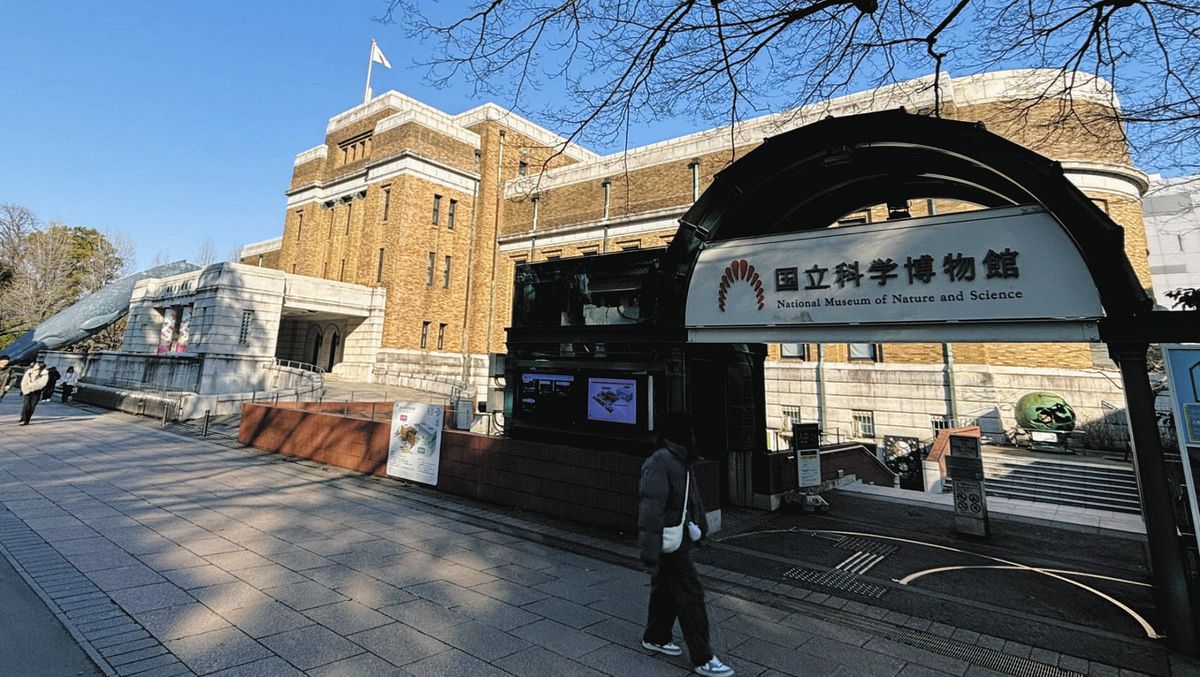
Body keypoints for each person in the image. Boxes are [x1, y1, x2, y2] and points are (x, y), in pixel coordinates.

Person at [638, 413, 734, 677]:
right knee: (691, 595)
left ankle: (656, 636)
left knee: (666, 590)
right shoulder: (661, 461)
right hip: (669, 542)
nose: (693, 436)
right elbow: (651, 509)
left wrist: (700, 529)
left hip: (676, 539)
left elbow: (692, 500)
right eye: (688, 431)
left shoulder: (681, 459)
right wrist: (649, 551)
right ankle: (703, 658)